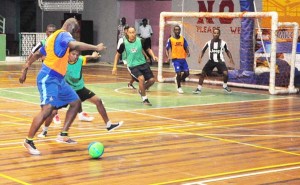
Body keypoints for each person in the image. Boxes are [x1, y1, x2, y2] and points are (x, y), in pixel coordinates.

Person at [19, 18, 107, 155]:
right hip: (49, 77)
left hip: (59, 79)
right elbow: (75, 45)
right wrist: (96, 47)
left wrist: (25, 69)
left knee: (75, 102)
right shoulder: (64, 35)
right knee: (47, 109)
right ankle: (28, 140)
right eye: (75, 32)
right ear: (72, 29)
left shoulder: (51, 38)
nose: (74, 35)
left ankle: (63, 134)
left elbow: (37, 54)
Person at [37, 49, 123, 138]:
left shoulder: (80, 60)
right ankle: (45, 130)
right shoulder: (62, 62)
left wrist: (93, 56)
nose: (75, 56)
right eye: (73, 54)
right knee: (52, 112)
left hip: (79, 88)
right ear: (68, 54)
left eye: (77, 55)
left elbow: (86, 57)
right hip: (67, 90)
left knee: (98, 101)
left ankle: (109, 125)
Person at [113, 27, 157, 106]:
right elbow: (117, 55)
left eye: (133, 32)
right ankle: (145, 99)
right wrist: (114, 67)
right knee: (141, 79)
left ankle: (141, 90)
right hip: (132, 65)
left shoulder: (141, 41)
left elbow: (148, 49)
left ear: (135, 32)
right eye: (130, 32)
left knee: (152, 80)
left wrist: (153, 56)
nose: (132, 34)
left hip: (143, 64)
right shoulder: (124, 44)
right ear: (127, 33)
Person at [193, 28, 234, 94]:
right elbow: (203, 51)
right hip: (211, 61)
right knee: (203, 73)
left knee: (225, 73)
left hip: (220, 61)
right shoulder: (208, 43)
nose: (216, 34)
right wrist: (200, 58)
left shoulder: (223, 43)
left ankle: (225, 86)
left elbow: (227, 51)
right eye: (215, 33)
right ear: (212, 34)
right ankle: (198, 89)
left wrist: (231, 58)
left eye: (217, 33)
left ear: (219, 34)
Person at [166, 25, 190, 94]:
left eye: (178, 30)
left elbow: (186, 46)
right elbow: (167, 48)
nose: (177, 31)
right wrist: (168, 56)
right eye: (176, 30)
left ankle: (178, 79)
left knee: (187, 73)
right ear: (174, 31)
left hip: (182, 58)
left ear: (180, 31)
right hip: (175, 59)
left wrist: (188, 52)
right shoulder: (170, 39)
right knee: (179, 73)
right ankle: (179, 87)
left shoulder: (183, 38)